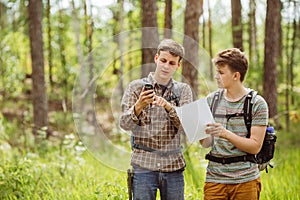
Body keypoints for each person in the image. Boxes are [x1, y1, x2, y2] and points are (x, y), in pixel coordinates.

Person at [120, 39, 193, 200]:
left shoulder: (183, 90)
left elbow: (187, 128)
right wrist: (139, 105)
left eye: (172, 63)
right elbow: (124, 124)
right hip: (143, 167)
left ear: (178, 65)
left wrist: (168, 107)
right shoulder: (135, 87)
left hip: (174, 167)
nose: (166, 66)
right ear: (156, 58)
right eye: (163, 60)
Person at [200, 48, 269, 200]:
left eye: (221, 72)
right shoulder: (211, 101)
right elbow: (206, 143)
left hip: (246, 179)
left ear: (236, 75)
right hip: (215, 179)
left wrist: (225, 133)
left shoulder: (257, 104)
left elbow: (255, 146)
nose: (216, 76)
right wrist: (197, 131)